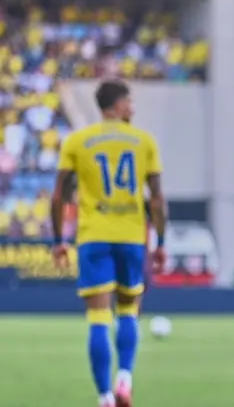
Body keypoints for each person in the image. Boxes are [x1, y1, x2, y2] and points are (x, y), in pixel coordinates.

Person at [50, 79, 167, 407]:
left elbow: (59, 195)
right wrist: (160, 241)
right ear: (116, 105)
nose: (133, 108)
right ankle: (124, 378)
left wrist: (59, 240)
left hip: (94, 237)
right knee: (128, 309)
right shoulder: (144, 141)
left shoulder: (77, 141)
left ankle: (105, 397)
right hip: (131, 237)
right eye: (129, 102)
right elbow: (157, 199)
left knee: (98, 316)